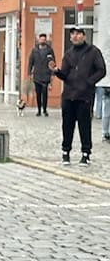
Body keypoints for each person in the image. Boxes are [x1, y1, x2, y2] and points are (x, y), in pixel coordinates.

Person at [49, 26, 106, 166]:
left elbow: (101, 70)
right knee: (67, 125)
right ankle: (65, 152)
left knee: (84, 125)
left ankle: (85, 154)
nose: (75, 36)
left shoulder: (93, 52)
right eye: (73, 34)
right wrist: (56, 71)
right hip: (68, 95)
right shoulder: (68, 54)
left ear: (84, 36)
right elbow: (65, 75)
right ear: (70, 37)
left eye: (78, 34)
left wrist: (89, 82)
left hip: (84, 95)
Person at [27, 33, 54, 116]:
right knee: (38, 94)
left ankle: (45, 110)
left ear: (46, 40)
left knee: (45, 93)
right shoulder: (34, 50)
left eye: (44, 39)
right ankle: (38, 110)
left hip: (46, 75)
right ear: (38, 40)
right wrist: (29, 72)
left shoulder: (49, 50)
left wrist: (52, 74)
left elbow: (53, 62)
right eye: (41, 39)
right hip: (37, 75)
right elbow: (30, 62)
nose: (42, 41)